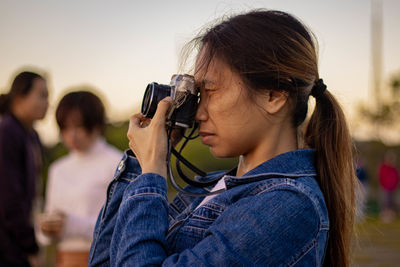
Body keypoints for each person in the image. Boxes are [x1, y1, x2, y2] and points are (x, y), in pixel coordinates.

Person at [89, 10, 358, 266]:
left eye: (211, 91)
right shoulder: (208, 187)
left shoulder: (288, 205)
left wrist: (151, 176)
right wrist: (139, 163)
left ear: (274, 95)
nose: (198, 113)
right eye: (197, 95)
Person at [37, 91, 122, 267]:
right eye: (65, 128)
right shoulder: (58, 169)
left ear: (97, 125)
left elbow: (120, 226)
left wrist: (71, 224)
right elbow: (47, 228)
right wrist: (46, 230)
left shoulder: (117, 163)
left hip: (102, 259)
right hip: (63, 259)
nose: (72, 135)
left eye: (79, 127)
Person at [0, 71, 49, 266]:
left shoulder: (31, 135)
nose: (48, 103)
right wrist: (30, 246)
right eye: (42, 95)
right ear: (20, 97)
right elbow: (8, 198)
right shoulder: (7, 133)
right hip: (8, 249)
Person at [378, 151, 399, 223]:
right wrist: (383, 185)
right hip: (385, 188)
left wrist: (395, 185)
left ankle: (390, 216)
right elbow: (381, 177)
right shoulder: (384, 167)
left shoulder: (393, 168)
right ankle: (385, 217)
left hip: (392, 188)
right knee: (385, 202)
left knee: (391, 202)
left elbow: (396, 177)